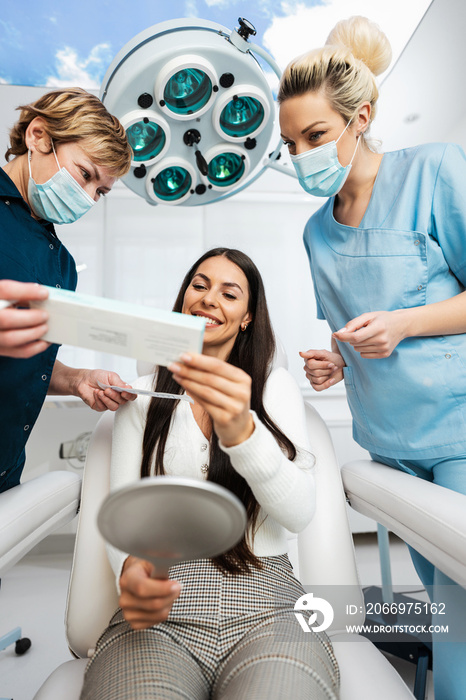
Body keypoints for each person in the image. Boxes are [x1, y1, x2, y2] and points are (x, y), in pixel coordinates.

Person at [278, 15, 466, 700]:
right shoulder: (315, 231)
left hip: (456, 432)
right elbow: (350, 329)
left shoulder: (436, 172)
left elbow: (401, 317)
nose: (301, 154)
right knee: (444, 610)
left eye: (315, 136)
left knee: (462, 609)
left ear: (361, 118)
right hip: (388, 443)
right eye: (291, 142)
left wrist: (407, 324)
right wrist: (336, 359)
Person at [79, 248, 340, 700]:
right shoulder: (139, 396)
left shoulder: (274, 388)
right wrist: (132, 573)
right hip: (163, 607)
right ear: (183, 300)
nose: (208, 298)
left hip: (269, 602)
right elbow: (122, 516)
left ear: (247, 318)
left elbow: (299, 513)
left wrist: (242, 433)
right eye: (199, 286)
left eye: (229, 292)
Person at [0, 88, 136, 493]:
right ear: (39, 137)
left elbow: (25, 362)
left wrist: (75, 379)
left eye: (102, 191)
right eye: (86, 174)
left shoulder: (63, 265)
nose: (89, 198)